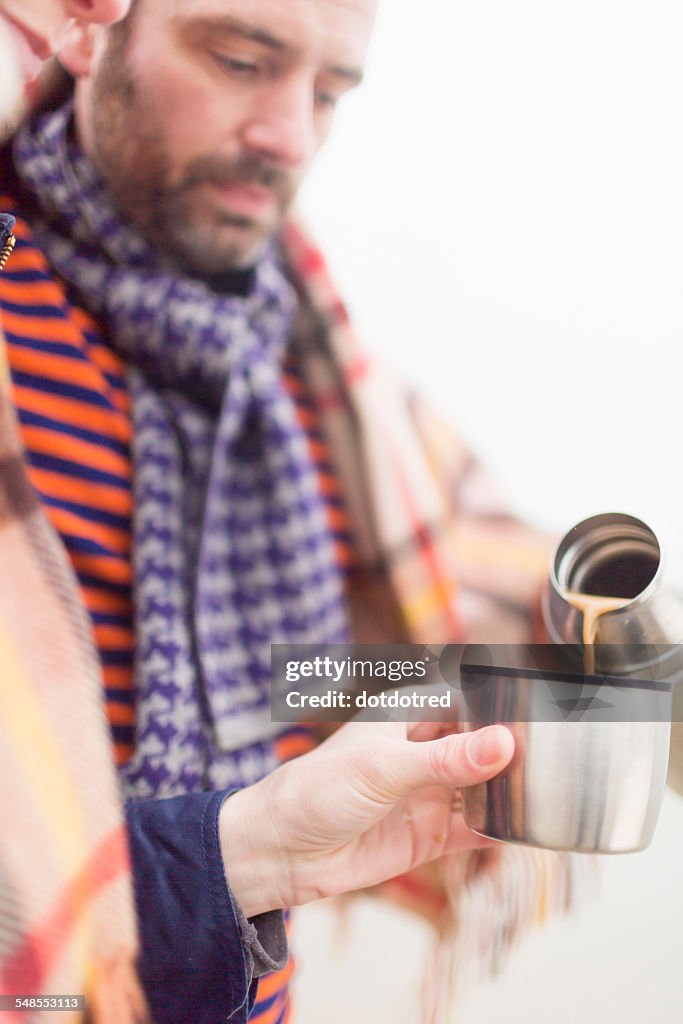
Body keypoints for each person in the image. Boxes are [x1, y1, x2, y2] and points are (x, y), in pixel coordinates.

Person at [0, 1, 604, 1022]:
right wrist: (237, 852)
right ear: (88, 22)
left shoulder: (313, 373)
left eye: (330, 92)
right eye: (239, 59)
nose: (289, 135)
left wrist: (554, 679)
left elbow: (309, 677)